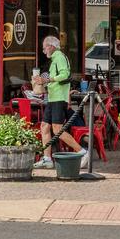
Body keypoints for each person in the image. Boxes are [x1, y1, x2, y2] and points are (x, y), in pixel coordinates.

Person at [35, 33, 82, 169]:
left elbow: (65, 75)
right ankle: (47, 158)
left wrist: (47, 80)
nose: (44, 52)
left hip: (58, 98)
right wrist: (44, 84)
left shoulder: (59, 57)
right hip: (53, 97)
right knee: (44, 126)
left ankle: (82, 152)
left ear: (51, 46)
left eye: (44, 48)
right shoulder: (56, 58)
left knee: (57, 129)